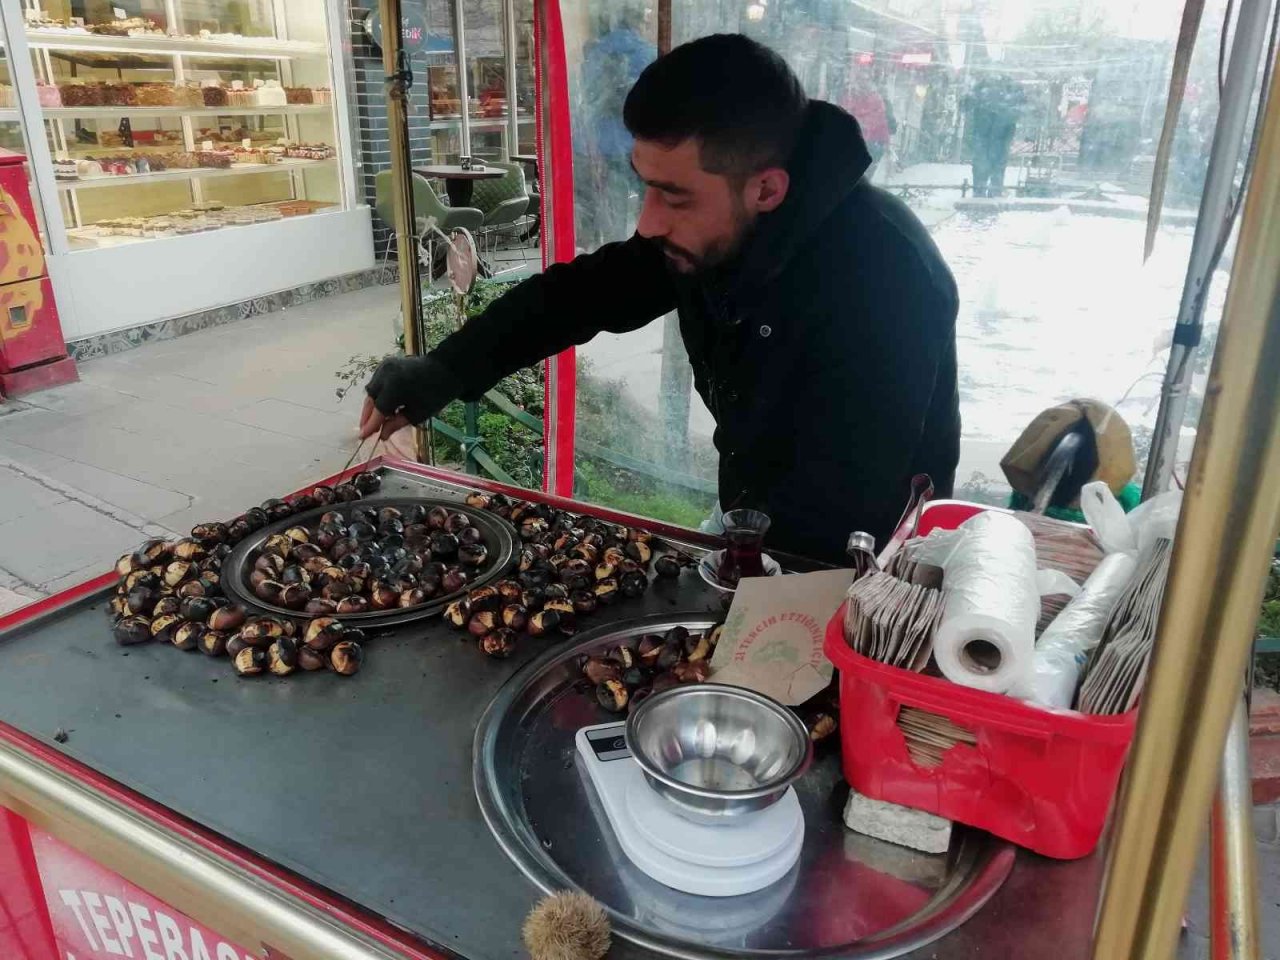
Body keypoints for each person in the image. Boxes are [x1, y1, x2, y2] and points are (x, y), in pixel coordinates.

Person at [360, 34, 960, 564]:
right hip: (756, 526)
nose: (647, 224)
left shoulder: (887, 279)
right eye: (645, 187)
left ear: (767, 189)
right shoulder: (712, 232)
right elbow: (580, 295)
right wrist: (445, 369)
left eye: (674, 197)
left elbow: (844, 512)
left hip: (870, 564)